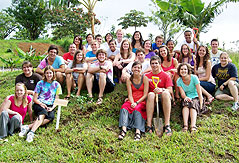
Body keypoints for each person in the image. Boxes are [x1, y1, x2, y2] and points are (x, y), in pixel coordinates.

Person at [19, 66, 62, 142]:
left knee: (50, 117)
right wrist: (41, 104)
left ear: (53, 74)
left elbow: (57, 99)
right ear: (44, 74)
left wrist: (52, 108)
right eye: (47, 73)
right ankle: (31, 133)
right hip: (39, 103)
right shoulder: (40, 83)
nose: (49, 75)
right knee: (43, 113)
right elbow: (35, 99)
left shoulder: (57, 85)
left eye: (50, 73)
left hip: (50, 105)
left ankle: (27, 127)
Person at [118, 61, 149, 141]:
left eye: (138, 67)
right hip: (132, 100)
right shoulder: (129, 79)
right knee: (124, 107)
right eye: (135, 67)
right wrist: (132, 102)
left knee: (137, 108)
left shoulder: (144, 78)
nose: (136, 69)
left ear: (141, 69)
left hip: (141, 100)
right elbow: (130, 94)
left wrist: (136, 103)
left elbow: (145, 94)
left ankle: (138, 131)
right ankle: (123, 129)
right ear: (132, 68)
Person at [145, 56, 173, 136]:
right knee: (150, 94)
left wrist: (162, 89)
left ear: (160, 64)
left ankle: (167, 125)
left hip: (164, 98)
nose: (154, 65)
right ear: (150, 65)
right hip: (152, 99)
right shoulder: (147, 76)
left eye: (156, 63)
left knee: (166, 93)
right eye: (152, 63)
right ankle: (149, 125)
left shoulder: (165, 75)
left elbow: (170, 90)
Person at [177, 63, 206, 132]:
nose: (183, 71)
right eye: (181, 69)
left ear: (188, 70)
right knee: (186, 105)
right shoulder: (179, 81)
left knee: (193, 105)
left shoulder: (194, 78)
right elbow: (182, 93)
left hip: (196, 97)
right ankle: (185, 125)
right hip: (187, 97)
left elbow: (199, 92)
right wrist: (186, 97)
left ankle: (193, 126)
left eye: (185, 69)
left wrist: (201, 103)